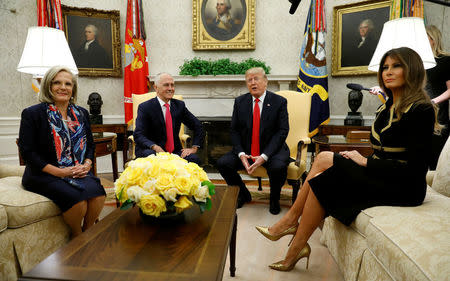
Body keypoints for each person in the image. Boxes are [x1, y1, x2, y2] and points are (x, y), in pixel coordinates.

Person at [256, 47, 437, 272]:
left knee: (323, 162)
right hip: (382, 175)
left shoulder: (422, 110)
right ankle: (295, 244)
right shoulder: (386, 106)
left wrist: (364, 162)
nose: (387, 72)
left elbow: (415, 169)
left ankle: (291, 225)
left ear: (412, 70)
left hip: (405, 187)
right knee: (322, 176)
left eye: (396, 66)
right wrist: (364, 162)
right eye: (385, 67)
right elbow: (384, 151)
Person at [18, 66, 106, 239]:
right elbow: (28, 152)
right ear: (48, 87)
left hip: (75, 172)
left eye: (68, 83)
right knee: (78, 201)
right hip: (43, 174)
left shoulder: (81, 113)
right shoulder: (33, 114)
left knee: (99, 194)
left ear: (73, 89)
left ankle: (87, 232)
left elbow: (90, 146)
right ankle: (77, 235)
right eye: (57, 82)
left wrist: (87, 164)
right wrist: (60, 172)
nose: (63, 87)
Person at [216, 67, 290, 215]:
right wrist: (241, 153)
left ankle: (274, 199)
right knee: (223, 163)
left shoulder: (279, 102)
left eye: (256, 79)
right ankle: (243, 194)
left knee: (278, 167)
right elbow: (234, 130)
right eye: (249, 80)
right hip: (247, 150)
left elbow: (282, 131)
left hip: (272, 151)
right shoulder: (240, 102)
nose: (253, 83)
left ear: (265, 81)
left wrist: (264, 156)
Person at [133, 72, 204, 164]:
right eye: (166, 85)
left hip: (174, 152)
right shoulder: (145, 107)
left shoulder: (179, 105)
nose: (170, 89)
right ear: (156, 88)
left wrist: (194, 148)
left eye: (172, 85)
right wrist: (155, 147)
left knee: (194, 159)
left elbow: (198, 126)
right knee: (152, 159)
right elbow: (138, 134)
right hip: (151, 150)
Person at [425, 25, 450, 169]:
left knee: (436, 162)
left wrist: (433, 101)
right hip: (419, 114)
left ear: (433, 39)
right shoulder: (418, 62)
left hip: (438, 117)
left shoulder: (446, 60)